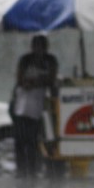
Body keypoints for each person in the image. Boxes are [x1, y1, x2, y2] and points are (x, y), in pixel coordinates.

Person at [11, 35, 58, 178]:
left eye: (41, 46)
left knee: (34, 138)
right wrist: (29, 82)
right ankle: (21, 168)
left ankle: (33, 167)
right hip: (21, 104)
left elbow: (51, 79)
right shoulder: (25, 60)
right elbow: (20, 79)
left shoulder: (50, 60)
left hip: (39, 105)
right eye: (35, 46)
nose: (38, 50)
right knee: (20, 139)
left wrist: (35, 82)